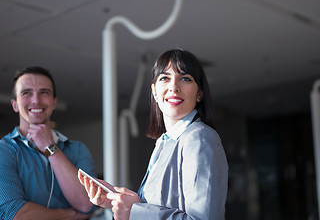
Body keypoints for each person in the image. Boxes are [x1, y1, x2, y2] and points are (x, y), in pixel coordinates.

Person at [79, 49, 229, 219]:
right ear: (155, 92)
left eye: (185, 78)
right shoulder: (165, 142)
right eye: (165, 78)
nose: (173, 86)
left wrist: (134, 210)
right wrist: (116, 200)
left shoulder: (199, 137)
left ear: (200, 93)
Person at [0, 66, 96, 220]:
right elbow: (14, 214)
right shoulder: (3, 151)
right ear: (15, 104)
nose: (36, 100)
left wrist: (51, 148)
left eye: (44, 92)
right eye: (26, 93)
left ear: (54, 102)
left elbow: (86, 204)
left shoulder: (78, 150)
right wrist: (70, 215)